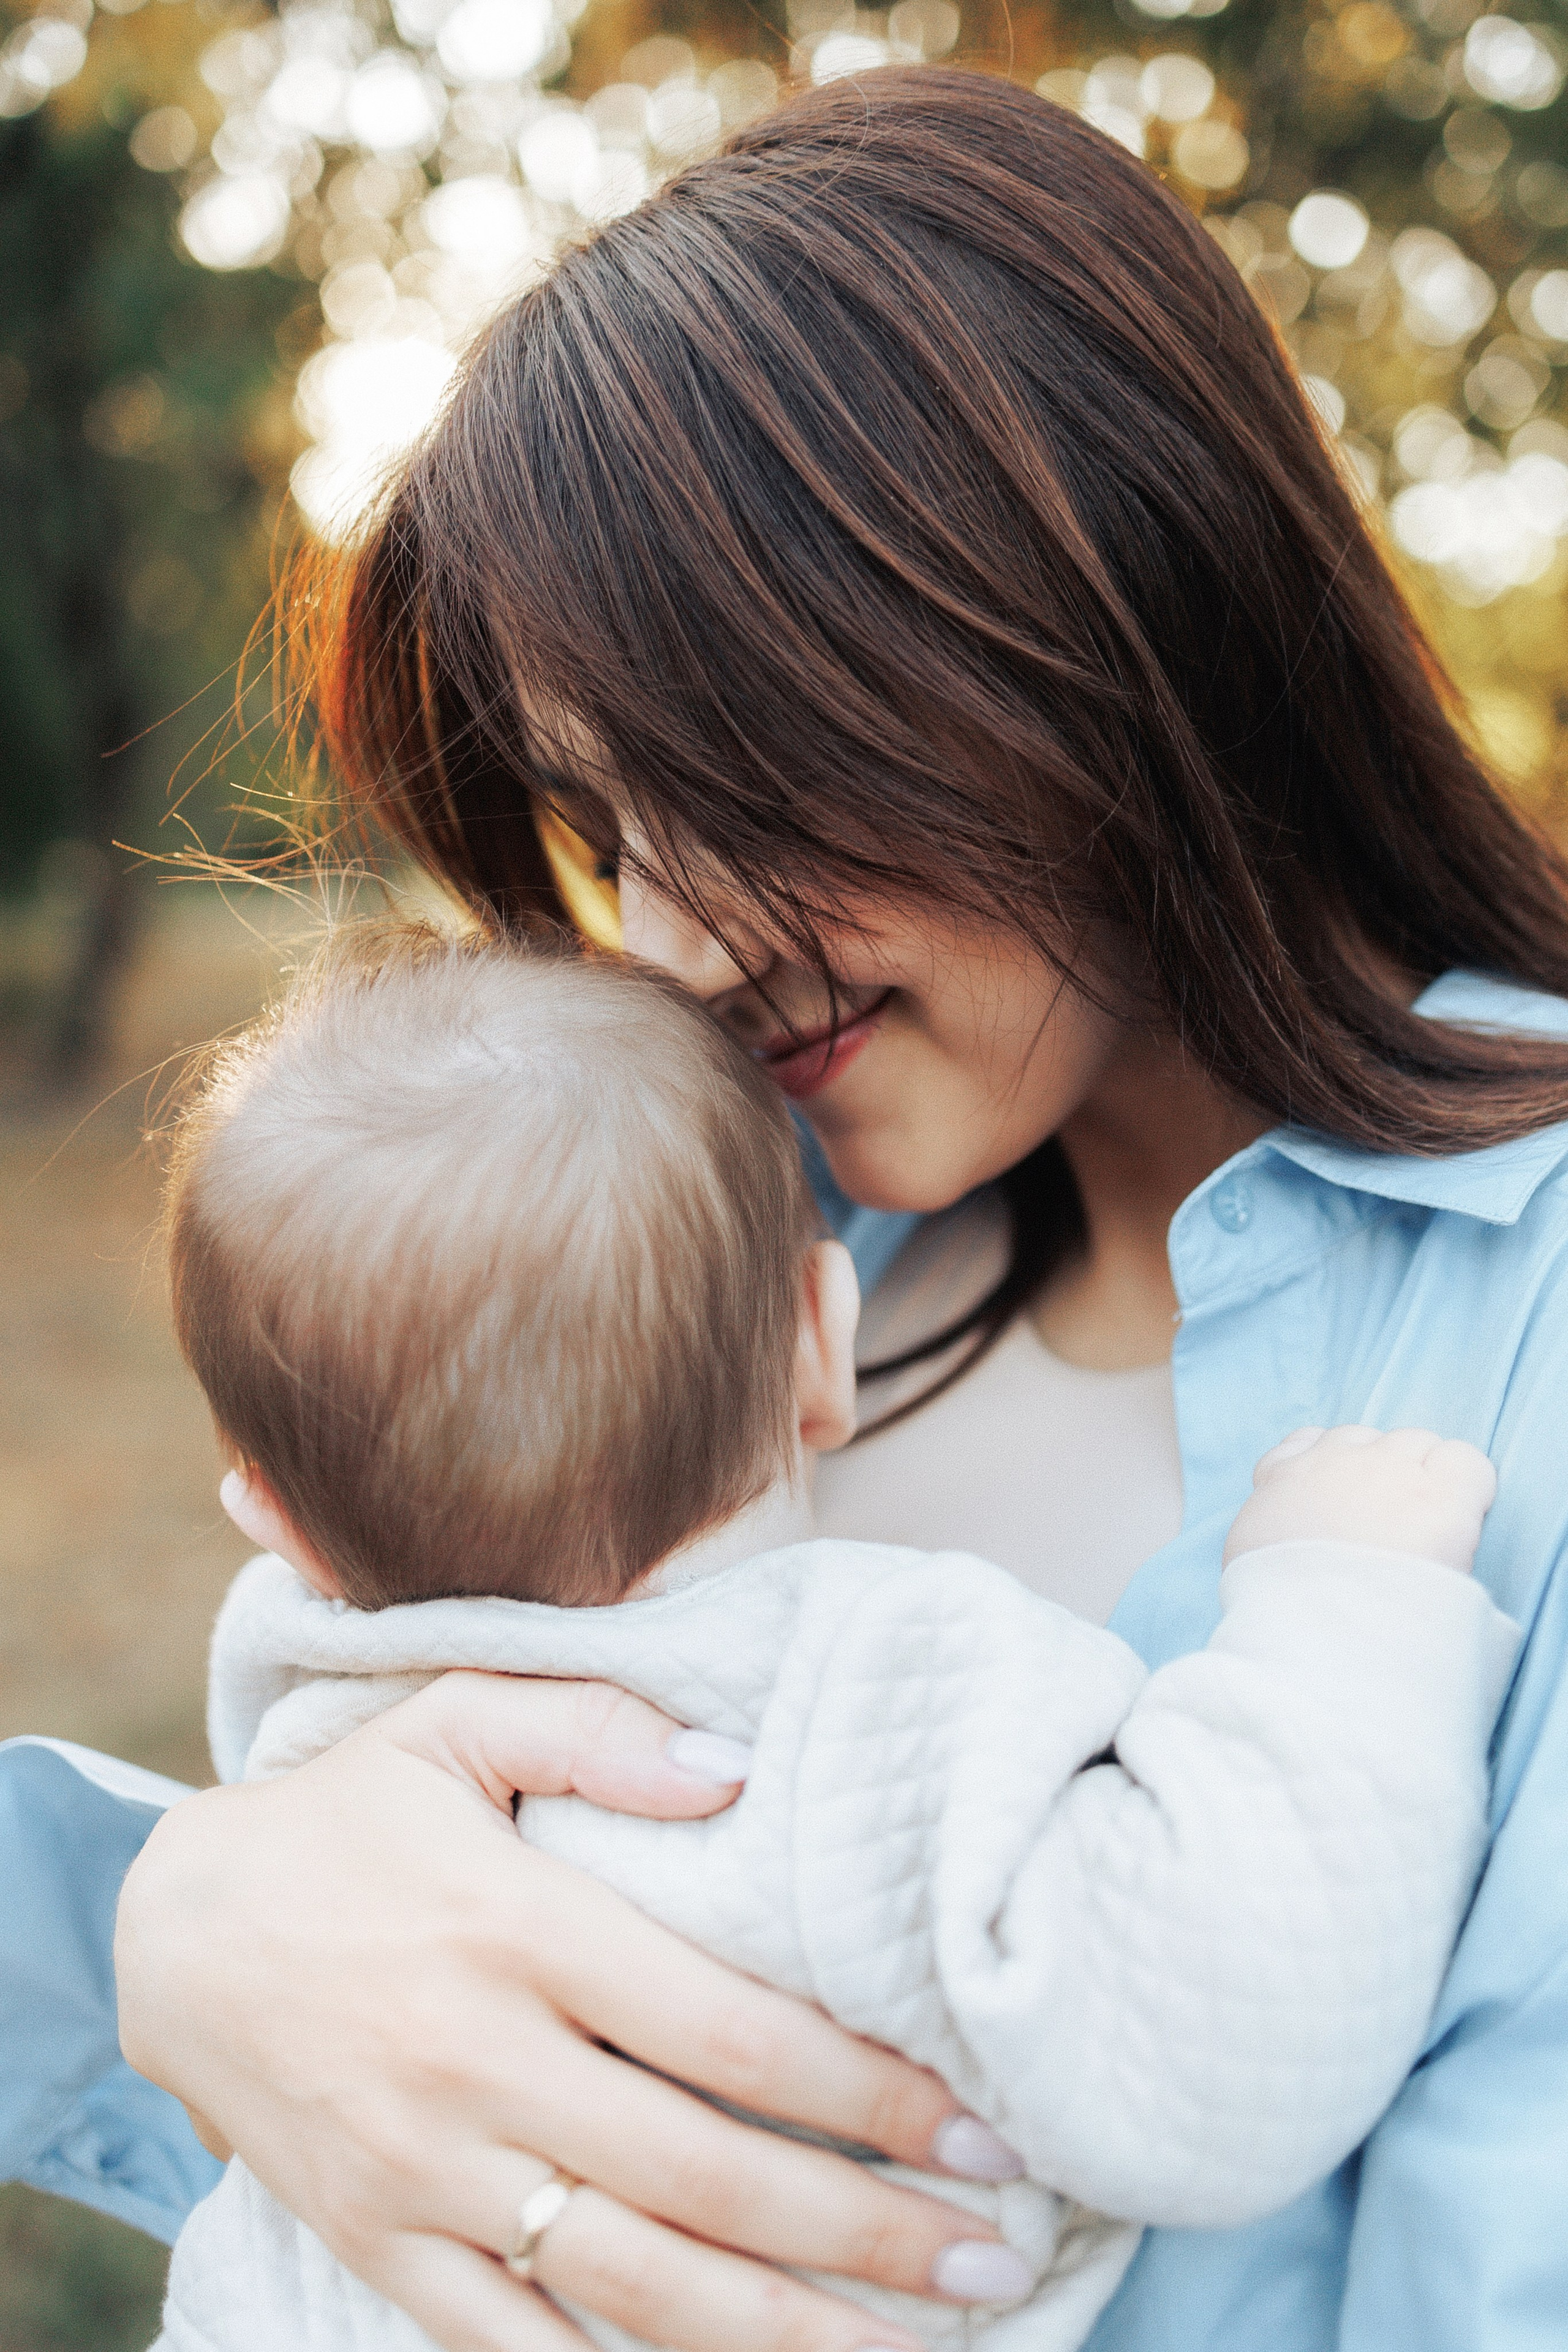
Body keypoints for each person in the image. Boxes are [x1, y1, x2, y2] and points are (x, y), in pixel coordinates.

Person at [8, 62, 1567, 2352]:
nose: (675, 951)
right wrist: (189, 1928)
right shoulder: (736, 1244)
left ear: (1106, 614)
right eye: (606, 836)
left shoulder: (1521, 1331)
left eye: (744, 785)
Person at [153, 919, 1511, 2352]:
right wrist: (1344, 1600)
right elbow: (1217, 2057)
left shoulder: (320, 1760)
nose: (665, 927)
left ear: (271, 1520)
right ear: (822, 1340)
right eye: (600, 846)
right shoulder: (864, 1700)